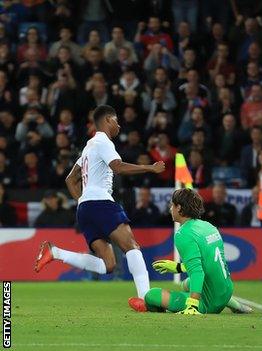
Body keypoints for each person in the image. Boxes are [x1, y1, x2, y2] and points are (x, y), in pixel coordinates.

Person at [34, 105, 166, 303]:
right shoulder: (103, 141)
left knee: (108, 265)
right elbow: (118, 167)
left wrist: (82, 201)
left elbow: (70, 180)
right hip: (101, 203)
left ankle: (56, 252)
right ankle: (145, 298)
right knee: (132, 247)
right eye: (116, 121)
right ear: (107, 121)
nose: (119, 126)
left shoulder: (88, 147)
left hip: (86, 208)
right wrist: (150, 167)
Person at [128, 188, 251, 314]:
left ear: (179, 208)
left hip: (210, 303)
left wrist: (192, 305)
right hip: (226, 289)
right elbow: (208, 262)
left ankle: (173, 306)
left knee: (151, 295)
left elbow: (198, 272)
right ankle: (234, 304)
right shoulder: (208, 226)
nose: (171, 209)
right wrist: (178, 267)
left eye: (172, 205)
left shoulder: (183, 234)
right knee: (186, 284)